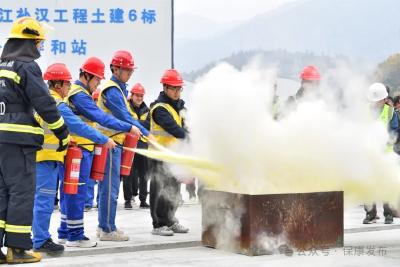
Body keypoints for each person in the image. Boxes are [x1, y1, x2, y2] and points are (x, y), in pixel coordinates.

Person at [0, 17, 70, 264]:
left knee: (2, 193)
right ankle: (18, 250)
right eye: (38, 42)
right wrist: (62, 132)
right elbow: (44, 102)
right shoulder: (26, 66)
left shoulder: (1, 65)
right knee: (21, 193)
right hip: (18, 140)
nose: (40, 47)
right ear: (28, 42)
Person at [32, 63, 114, 254]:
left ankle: (47, 236)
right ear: (59, 84)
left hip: (47, 157)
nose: (69, 88)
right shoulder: (56, 103)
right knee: (44, 200)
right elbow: (78, 125)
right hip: (46, 158)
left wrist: (67, 140)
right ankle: (43, 239)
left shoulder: (44, 100)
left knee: (46, 198)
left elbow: (52, 128)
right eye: (67, 84)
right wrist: (103, 139)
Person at [58, 56, 139, 246]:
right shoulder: (79, 95)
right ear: (86, 76)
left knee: (69, 192)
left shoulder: (79, 93)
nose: (98, 84)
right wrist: (127, 128)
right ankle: (76, 235)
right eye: (97, 79)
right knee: (76, 193)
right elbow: (101, 118)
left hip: (78, 149)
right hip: (79, 150)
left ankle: (65, 232)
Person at [96, 50, 150, 241]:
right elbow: (124, 116)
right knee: (110, 188)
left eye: (130, 70)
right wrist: (145, 133)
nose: (129, 73)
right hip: (110, 144)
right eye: (126, 70)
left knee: (108, 188)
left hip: (113, 143)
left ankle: (107, 225)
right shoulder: (112, 89)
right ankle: (106, 230)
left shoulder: (118, 89)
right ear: (115, 69)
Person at [149, 69, 189, 236]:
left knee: (174, 189)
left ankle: (170, 220)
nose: (176, 92)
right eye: (173, 88)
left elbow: (187, 127)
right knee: (159, 189)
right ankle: (158, 224)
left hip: (174, 155)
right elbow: (175, 129)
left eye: (179, 88)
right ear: (165, 88)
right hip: (159, 155)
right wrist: (191, 139)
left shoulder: (181, 107)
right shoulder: (159, 108)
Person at [363, 82, 396, 224]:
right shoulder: (364, 110)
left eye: (379, 100)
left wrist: (387, 141)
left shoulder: (390, 111)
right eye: (374, 100)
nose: (376, 103)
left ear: (385, 99)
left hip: (385, 153)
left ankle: (388, 213)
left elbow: (394, 129)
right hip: (369, 152)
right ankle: (370, 214)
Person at [123, 83, 150, 209]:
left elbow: (148, 125)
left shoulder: (147, 110)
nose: (139, 98)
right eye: (137, 95)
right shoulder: (126, 107)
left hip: (143, 144)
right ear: (132, 95)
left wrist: (135, 123)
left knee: (144, 173)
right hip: (129, 143)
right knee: (128, 172)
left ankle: (143, 200)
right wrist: (140, 123)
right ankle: (128, 200)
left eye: (141, 96)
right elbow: (126, 121)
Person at [84, 88, 101, 211]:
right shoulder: (89, 112)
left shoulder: (100, 114)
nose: (96, 102)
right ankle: (87, 202)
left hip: (98, 148)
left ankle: (97, 201)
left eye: (98, 100)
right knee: (89, 176)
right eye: (94, 100)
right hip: (89, 147)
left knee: (99, 175)